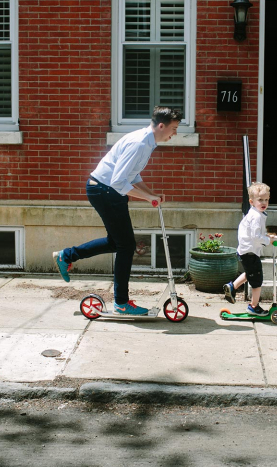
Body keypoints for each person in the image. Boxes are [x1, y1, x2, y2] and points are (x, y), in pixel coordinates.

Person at [52, 106, 181, 315]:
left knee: (117, 242)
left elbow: (134, 175)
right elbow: (119, 182)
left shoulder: (148, 142)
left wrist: (151, 194)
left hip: (108, 190)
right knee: (126, 245)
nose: (175, 133)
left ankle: (66, 256)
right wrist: (148, 197)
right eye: (173, 128)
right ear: (161, 125)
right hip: (104, 189)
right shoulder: (139, 143)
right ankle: (121, 302)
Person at [223, 182, 275, 315]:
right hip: (249, 252)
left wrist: (266, 235)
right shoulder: (256, 216)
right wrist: (268, 240)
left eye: (266, 200)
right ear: (251, 201)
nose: (264, 203)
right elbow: (256, 237)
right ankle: (253, 306)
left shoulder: (255, 213)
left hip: (246, 251)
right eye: (260, 200)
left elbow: (256, 234)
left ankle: (232, 286)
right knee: (257, 280)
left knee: (250, 272)